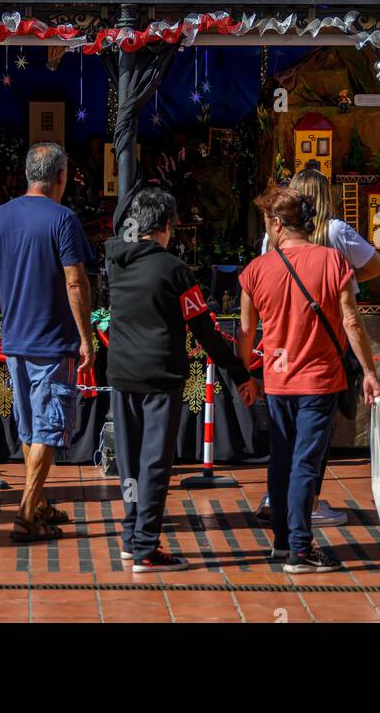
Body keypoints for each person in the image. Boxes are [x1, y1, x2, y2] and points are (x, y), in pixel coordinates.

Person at [106, 187, 258, 572]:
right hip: (160, 376)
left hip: (122, 374)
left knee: (129, 463)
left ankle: (130, 534)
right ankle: (145, 547)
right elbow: (205, 331)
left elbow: (118, 233)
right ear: (168, 226)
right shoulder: (174, 270)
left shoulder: (115, 259)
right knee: (155, 463)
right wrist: (239, 371)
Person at [236, 184, 380, 573]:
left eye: (268, 222)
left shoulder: (254, 271)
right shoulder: (334, 262)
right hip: (320, 379)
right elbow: (351, 320)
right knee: (306, 461)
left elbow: (246, 333)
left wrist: (246, 376)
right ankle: (300, 548)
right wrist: (369, 372)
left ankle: (285, 543)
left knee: (281, 458)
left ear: (278, 224)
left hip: (276, 378)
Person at [0, 142, 94, 543]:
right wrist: (86, 337)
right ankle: (27, 513)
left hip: (16, 342)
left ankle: (39, 503)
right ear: (60, 177)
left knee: (30, 428)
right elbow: (75, 280)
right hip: (53, 341)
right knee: (46, 429)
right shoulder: (62, 219)